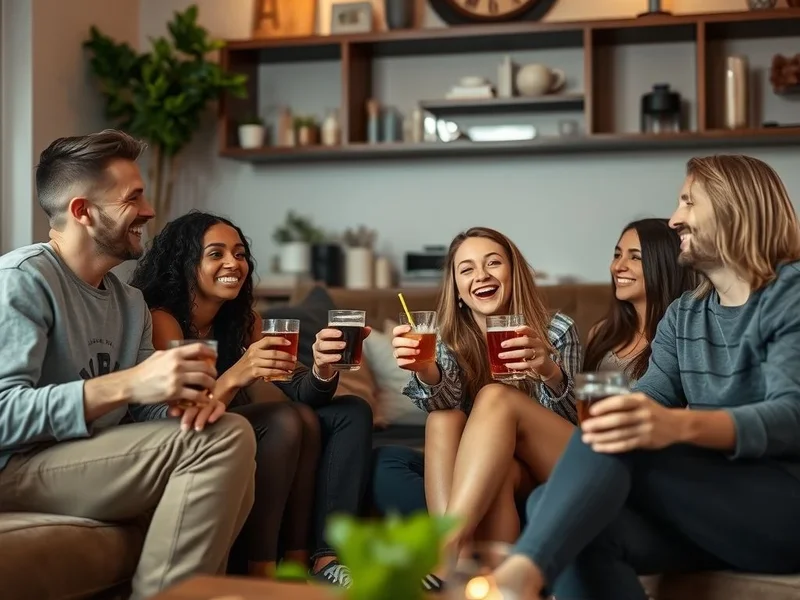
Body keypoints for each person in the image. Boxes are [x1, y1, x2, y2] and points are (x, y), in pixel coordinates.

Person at [491, 155, 800, 600]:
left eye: (688, 202)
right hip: (705, 512)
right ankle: (525, 569)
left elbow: (791, 416)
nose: (675, 220)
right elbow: (647, 396)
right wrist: (628, 412)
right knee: (560, 510)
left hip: (782, 510)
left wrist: (675, 426)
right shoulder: (685, 314)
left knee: (607, 443)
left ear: (735, 208)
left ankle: (521, 573)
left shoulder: (790, 293)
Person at [0, 130, 256, 600]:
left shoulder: (130, 303)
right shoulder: (21, 280)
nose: (149, 210)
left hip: (87, 453)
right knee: (221, 445)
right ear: (83, 211)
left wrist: (189, 406)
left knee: (229, 432)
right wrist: (129, 383)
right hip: (16, 464)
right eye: (132, 198)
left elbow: (150, 411)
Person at [129, 210, 374, 588]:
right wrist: (238, 373)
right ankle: (263, 572)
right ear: (185, 263)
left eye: (240, 254)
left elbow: (301, 390)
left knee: (349, 411)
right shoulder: (162, 319)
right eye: (216, 254)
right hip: (181, 432)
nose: (233, 263)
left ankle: (321, 561)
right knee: (286, 419)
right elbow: (178, 414)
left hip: (242, 424)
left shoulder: (243, 318)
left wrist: (323, 368)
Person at [373, 227, 582, 582]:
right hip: (504, 466)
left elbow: (572, 417)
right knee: (444, 421)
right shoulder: (445, 335)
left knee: (494, 395)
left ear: (513, 273)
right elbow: (444, 404)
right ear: (456, 288)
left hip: (558, 459)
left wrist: (547, 368)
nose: (481, 275)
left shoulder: (556, 329)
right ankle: (486, 579)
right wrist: (426, 369)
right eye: (466, 269)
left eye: (493, 263)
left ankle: (443, 552)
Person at [583, 218, 698, 383]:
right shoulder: (600, 333)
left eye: (635, 257)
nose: (617, 266)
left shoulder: (685, 340)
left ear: (664, 265)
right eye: (617, 255)